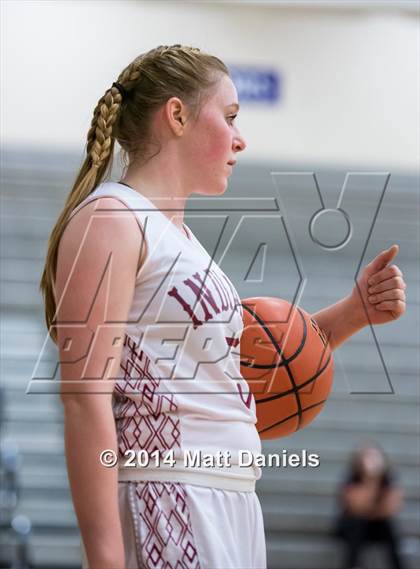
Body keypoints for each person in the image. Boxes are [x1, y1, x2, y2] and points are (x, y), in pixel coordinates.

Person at [38, 44, 407, 568]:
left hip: (228, 496)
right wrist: (105, 560)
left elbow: (251, 371)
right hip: (167, 492)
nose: (241, 138)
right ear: (177, 115)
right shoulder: (111, 219)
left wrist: (351, 314)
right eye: (230, 117)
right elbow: (84, 399)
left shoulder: (182, 240)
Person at [333, 442, 407, 569]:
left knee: (388, 526)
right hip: (353, 527)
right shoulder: (352, 479)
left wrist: (374, 510)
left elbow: (390, 509)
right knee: (357, 523)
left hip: (377, 526)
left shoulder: (389, 481)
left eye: (375, 457)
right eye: (368, 457)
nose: (372, 461)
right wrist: (370, 481)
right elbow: (357, 508)